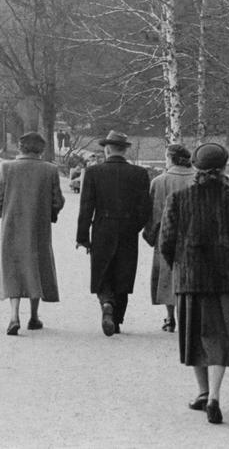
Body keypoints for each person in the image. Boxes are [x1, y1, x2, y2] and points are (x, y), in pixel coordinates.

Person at [159, 143, 229, 424]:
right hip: (228, 279)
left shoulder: (179, 198)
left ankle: (203, 392)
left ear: (195, 167)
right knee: (219, 337)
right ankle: (215, 396)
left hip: (191, 279)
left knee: (194, 337)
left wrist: (178, 266)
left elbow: (166, 241)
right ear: (224, 166)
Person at [75, 130, 151, 336]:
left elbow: (86, 207)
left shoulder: (93, 173)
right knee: (124, 272)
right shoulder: (140, 174)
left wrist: (82, 236)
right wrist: (133, 227)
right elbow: (145, 209)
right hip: (128, 229)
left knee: (103, 270)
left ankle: (106, 302)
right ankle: (117, 319)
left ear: (107, 149)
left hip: (103, 227)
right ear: (124, 150)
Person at [0, 132, 65, 335]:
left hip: (12, 225)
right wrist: (51, 213)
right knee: (36, 265)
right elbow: (57, 200)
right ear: (41, 149)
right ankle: (33, 316)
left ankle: (14, 316)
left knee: (12, 267)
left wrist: (3, 210)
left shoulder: (7, 168)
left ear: (20, 147)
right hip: (38, 226)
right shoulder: (50, 170)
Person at [142, 143, 195, 333]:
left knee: (167, 276)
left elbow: (155, 213)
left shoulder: (159, 181)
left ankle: (170, 318)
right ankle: (188, 317)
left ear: (171, 158)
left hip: (167, 236)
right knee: (191, 277)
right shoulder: (198, 178)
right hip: (194, 237)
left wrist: (150, 234)